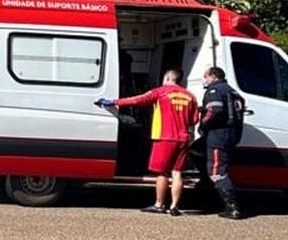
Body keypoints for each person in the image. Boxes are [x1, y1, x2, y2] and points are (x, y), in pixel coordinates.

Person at [98, 69, 198, 216]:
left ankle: (159, 204)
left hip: (164, 137)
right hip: (183, 138)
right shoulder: (190, 96)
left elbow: (137, 100)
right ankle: (174, 206)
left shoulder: (161, 92)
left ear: (167, 77)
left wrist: (114, 102)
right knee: (177, 173)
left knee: (161, 172)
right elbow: (194, 120)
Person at [199, 66, 245, 219]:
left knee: (217, 171)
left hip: (218, 135)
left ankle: (232, 208)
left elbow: (214, 109)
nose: (205, 80)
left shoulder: (215, 90)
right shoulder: (232, 91)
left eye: (206, 77)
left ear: (213, 76)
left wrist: (203, 123)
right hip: (232, 134)